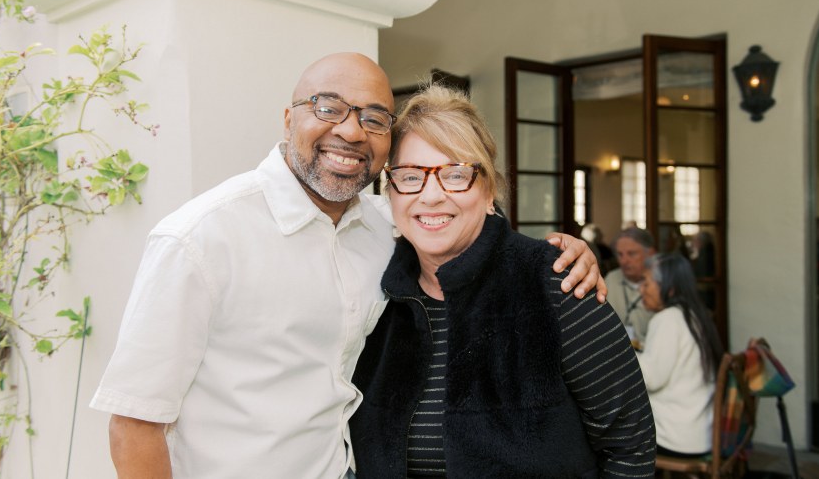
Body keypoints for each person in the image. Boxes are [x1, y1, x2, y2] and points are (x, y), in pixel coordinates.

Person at [89, 53, 605, 478]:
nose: (352, 132)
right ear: (288, 118)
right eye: (327, 107)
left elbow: (460, 212)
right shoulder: (201, 239)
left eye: (375, 118)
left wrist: (557, 256)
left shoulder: (386, 224)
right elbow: (134, 423)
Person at [349, 85, 656, 477]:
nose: (430, 195)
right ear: (390, 191)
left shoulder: (555, 284)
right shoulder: (377, 293)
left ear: (489, 190)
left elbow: (630, 447)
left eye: (456, 174)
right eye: (411, 177)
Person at [636, 252, 725, 458]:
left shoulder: (668, 319)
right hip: (698, 432)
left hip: (673, 436)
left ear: (670, 288)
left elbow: (651, 378)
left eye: (646, 283)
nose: (641, 290)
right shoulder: (695, 315)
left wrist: (621, 353)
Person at [605, 226, 657, 345]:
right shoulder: (610, 279)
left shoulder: (660, 283)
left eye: (631, 254)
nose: (624, 261)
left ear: (650, 253)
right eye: (620, 254)